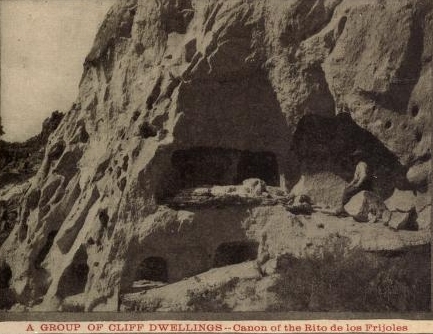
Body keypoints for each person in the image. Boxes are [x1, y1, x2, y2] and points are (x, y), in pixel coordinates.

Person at [336, 150, 372, 216]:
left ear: (359, 157)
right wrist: (350, 185)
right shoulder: (358, 165)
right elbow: (355, 178)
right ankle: (344, 208)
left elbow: (364, 175)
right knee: (347, 190)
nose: (354, 159)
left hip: (365, 184)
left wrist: (358, 184)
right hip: (361, 183)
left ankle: (344, 210)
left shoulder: (362, 164)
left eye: (355, 157)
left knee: (348, 193)